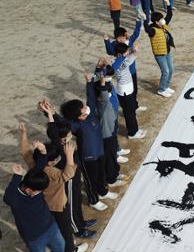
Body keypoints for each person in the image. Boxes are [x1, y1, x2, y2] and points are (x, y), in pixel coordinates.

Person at [18, 125, 88, 252]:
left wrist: (23, 134)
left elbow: (24, 152)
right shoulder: (53, 172)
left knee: (54, 229)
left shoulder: (34, 166)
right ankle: (71, 249)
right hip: (58, 207)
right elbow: (68, 174)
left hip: (43, 206)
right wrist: (70, 156)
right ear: (51, 162)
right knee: (65, 231)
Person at [39, 101, 98, 239]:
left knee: (77, 200)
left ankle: (81, 221)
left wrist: (50, 113)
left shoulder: (64, 141)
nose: (72, 133)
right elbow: (54, 133)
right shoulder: (58, 147)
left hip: (75, 176)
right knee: (71, 205)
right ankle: (78, 230)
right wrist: (49, 115)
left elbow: (56, 129)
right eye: (69, 133)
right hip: (68, 179)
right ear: (62, 138)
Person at [61, 73, 119, 211]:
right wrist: (49, 113)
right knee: (90, 180)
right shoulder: (76, 126)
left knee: (101, 175)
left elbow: (91, 98)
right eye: (82, 108)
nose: (85, 107)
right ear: (77, 116)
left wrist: (88, 82)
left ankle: (103, 192)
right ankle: (93, 199)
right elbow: (61, 122)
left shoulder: (91, 114)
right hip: (88, 158)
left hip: (100, 152)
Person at [4, 165, 65, 252]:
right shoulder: (16, 199)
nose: (41, 192)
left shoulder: (35, 182)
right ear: (29, 190)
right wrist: (17, 176)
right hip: (34, 238)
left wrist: (43, 152)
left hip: (52, 227)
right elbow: (7, 198)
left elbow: (39, 165)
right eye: (39, 191)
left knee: (61, 249)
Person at [145, 11, 175, 98]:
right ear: (156, 22)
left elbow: (169, 15)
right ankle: (161, 90)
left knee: (171, 70)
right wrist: (144, 20)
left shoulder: (162, 26)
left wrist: (168, 3)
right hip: (160, 54)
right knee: (165, 71)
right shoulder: (153, 30)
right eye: (161, 19)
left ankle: (166, 86)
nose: (163, 20)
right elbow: (147, 29)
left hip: (167, 52)